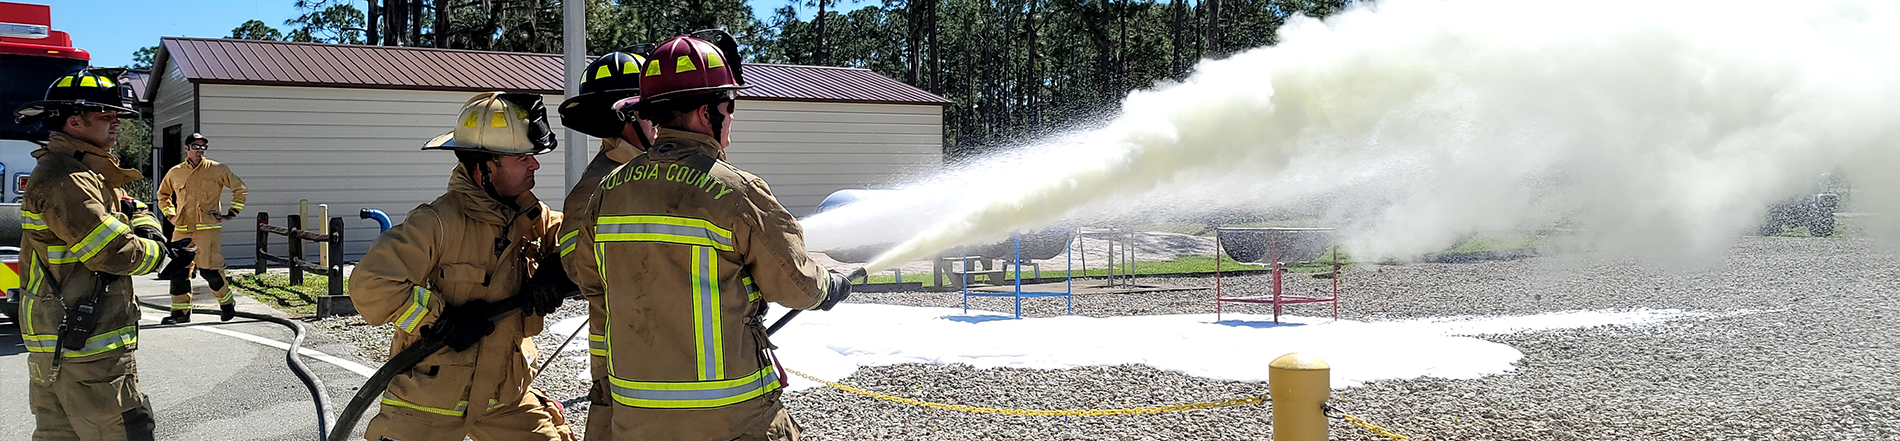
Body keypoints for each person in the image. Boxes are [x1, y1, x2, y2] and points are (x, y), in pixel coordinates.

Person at [564, 32, 852, 441]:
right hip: (729, 416)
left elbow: (590, 282)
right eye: (729, 105)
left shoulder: (607, 191)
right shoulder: (737, 192)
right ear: (706, 113)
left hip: (636, 413)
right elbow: (796, 284)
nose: (732, 116)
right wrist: (829, 287)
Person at [346, 92, 578, 441]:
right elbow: (372, 284)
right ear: (486, 166)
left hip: (506, 398)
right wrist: (442, 322)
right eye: (523, 157)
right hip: (428, 403)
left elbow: (581, 240)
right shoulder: (438, 222)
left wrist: (554, 270)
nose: (535, 165)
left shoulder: (532, 217)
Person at [15, 70, 193, 441]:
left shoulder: (86, 171)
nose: (115, 123)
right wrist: (161, 256)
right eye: (105, 116)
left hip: (64, 345)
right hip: (87, 351)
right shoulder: (67, 178)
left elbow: (130, 205)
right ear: (74, 121)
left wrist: (146, 226)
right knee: (127, 431)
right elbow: (112, 251)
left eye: (117, 116)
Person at [553, 48, 657, 440]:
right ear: (625, 115)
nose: (662, 120)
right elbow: (576, 266)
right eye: (651, 110)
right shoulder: (595, 188)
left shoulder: (664, 172)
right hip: (623, 355)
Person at [156, 132, 248, 323]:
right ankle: (180, 313)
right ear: (186, 148)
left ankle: (227, 303)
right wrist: (170, 215)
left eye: (202, 146)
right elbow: (163, 195)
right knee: (179, 271)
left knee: (209, 270)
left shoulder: (217, 169)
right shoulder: (175, 172)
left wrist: (232, 212)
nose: (199, 150)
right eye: (195, 146)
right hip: (182, 228)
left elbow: (240, 189)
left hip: (208, 229)